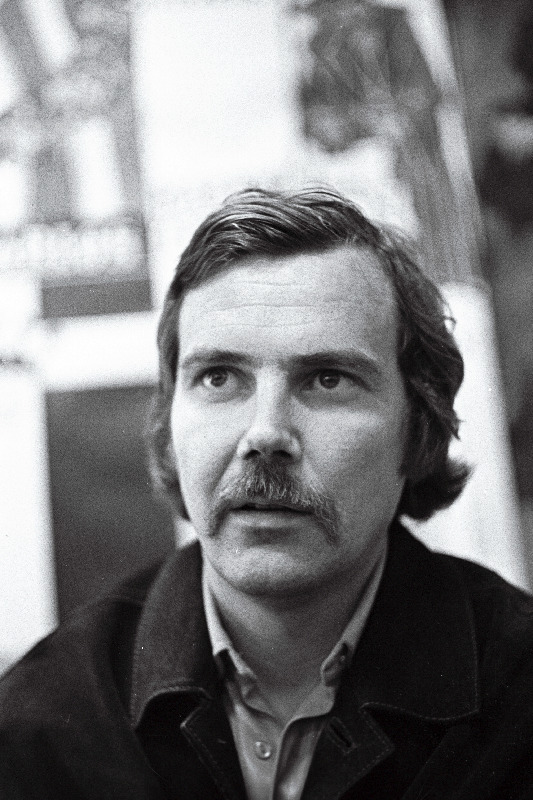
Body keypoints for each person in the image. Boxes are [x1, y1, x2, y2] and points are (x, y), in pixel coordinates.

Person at [1, 188, 533, 800]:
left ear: (418, 430)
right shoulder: (42, 724)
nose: (265, 434)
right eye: (219, 377)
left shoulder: (519, 701)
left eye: (327, 379)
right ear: (170, 425)